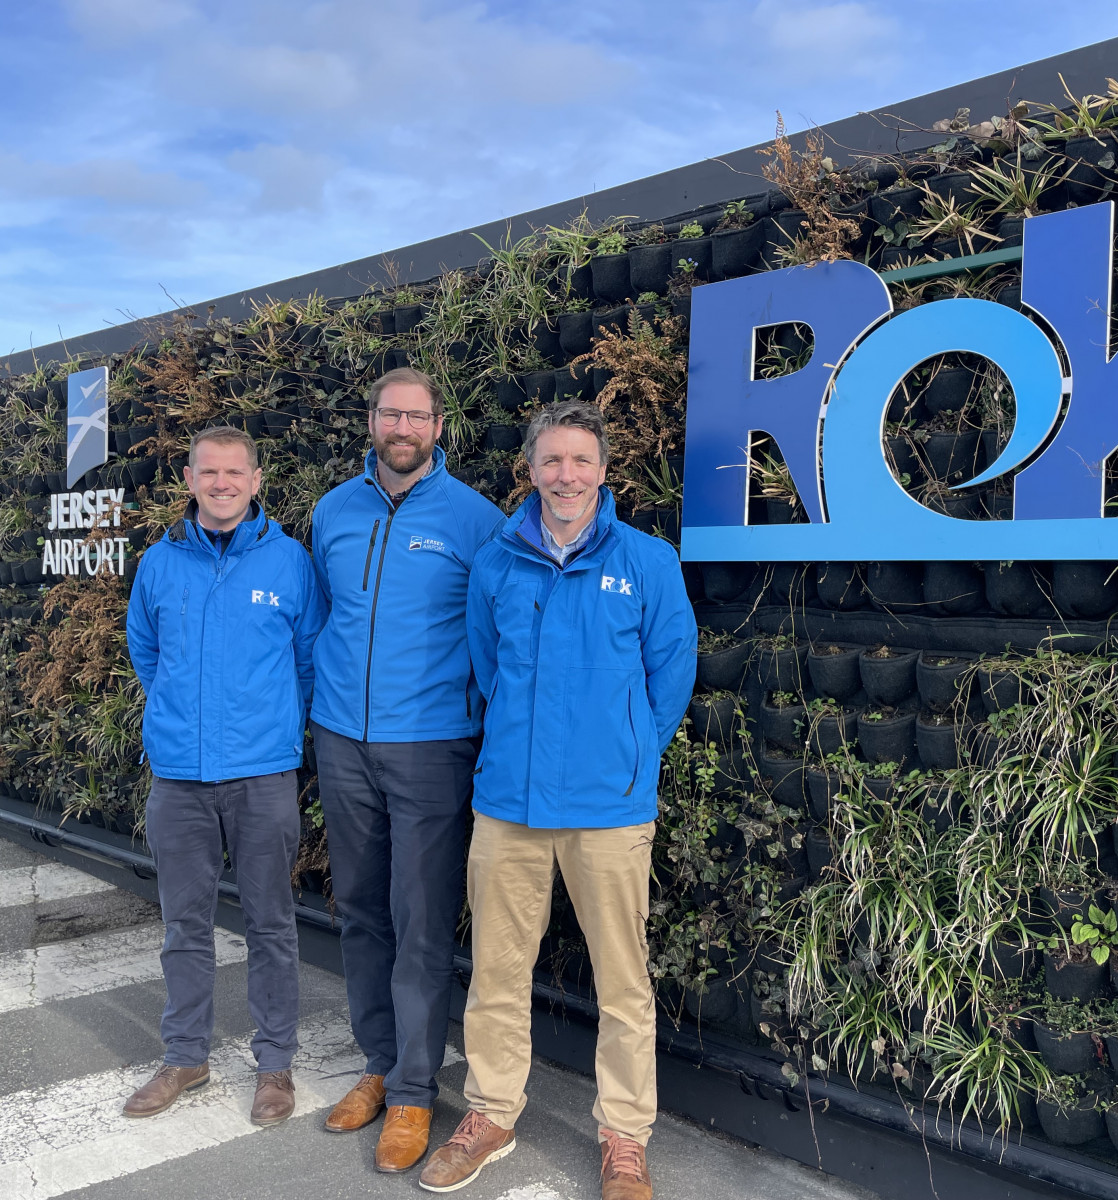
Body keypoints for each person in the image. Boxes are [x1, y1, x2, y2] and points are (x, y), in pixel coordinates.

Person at [421, 401, 697, 1199]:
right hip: (508, 805)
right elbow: (486, 668)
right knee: (498, 976)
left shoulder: (647, 562)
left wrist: (630, 758)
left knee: (623, 983)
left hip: (609, 809)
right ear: (531, 469)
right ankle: (492, 1114)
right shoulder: (497, 563)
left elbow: (669, 678)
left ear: (604, 470)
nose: (566, 476)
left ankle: (623, 1136)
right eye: (551, 461)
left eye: (581, 461)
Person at [310, 367, 504, 1172]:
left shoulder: (477, 520)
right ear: (371, 419)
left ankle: (417, 1093)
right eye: (391, 412)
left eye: (417, 415)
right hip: (341, 741)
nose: (403, 426)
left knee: (421, 917)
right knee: (359, 906)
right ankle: (379, 1066)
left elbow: (493, 638)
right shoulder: (330, 511)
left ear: (436, 426)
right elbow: (323, 616)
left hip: (430, 746)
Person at [123, 425, 326, 1124]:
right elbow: (147, 654)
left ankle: (275, 1065)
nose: (221, 483)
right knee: (184, 925)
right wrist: (184, 722)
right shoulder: (159, 564)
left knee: (271, 924)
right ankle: (186, 1056)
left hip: (262, 775)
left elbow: (306, 662)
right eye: (208, 473)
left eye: (234, 472)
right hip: (179, 778)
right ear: (188, 479)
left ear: (256, 479)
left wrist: (269, 732)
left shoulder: (290, 563)